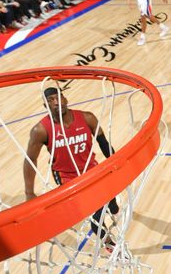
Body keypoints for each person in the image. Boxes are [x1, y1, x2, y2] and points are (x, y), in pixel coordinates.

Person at [23, 87, 119, 249]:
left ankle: (113, 207)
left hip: (91, 169)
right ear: (45, 106)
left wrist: (117, 164)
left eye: (57, 98)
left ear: (65, 99)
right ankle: (109, 243)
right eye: (50, 100)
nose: (55, 102)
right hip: (67, 177)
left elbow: (104, 144)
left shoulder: (87, 118)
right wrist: (29, 193)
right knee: (96, 215)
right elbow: (30, 160)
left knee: (111, 200)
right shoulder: (40, 130)